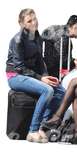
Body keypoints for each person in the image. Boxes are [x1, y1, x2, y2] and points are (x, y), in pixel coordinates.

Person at [6, 8, 65, 143]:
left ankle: (42, 126)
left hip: (32, 75)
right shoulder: (17, 40)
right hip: (15, 76)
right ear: (21, 24)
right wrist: (41, 79)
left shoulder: (37, 36)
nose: (34, 23)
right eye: (29, 21)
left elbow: (39, 60)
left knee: (62, 92)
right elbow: (19, 67)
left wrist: (45, 76)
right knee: (47, 90)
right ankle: (33, 131)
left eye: (35, 19)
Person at [42, 15, 77, 80]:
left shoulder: (53, 28)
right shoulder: (64, 38)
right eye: (76, 36)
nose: (76, 38)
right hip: (53, 71)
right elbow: (61, 59)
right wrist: (75, 63)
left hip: (44, 66)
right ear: (75, 27)